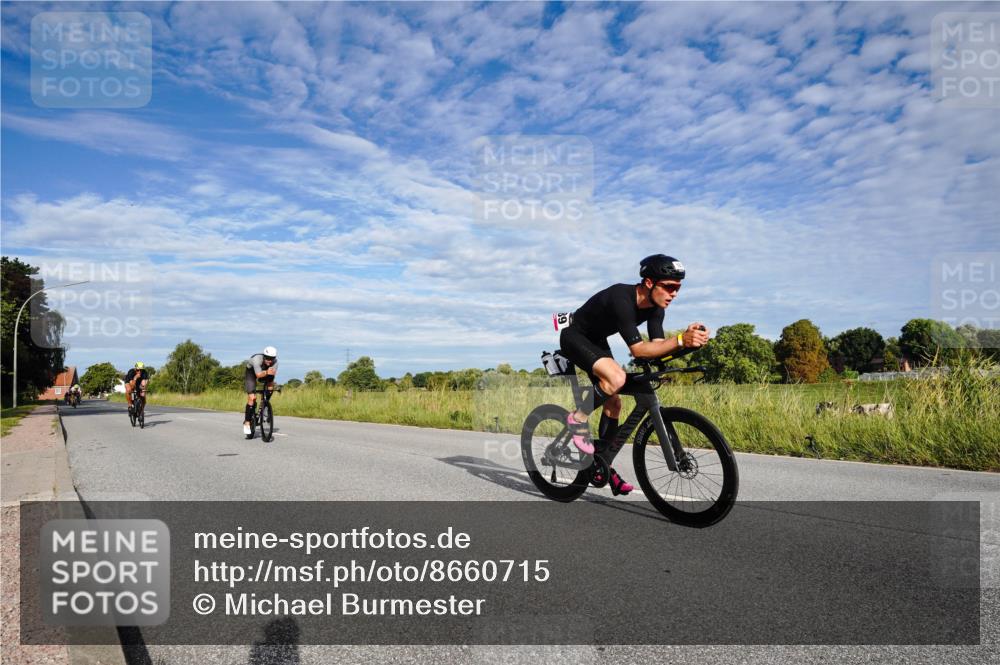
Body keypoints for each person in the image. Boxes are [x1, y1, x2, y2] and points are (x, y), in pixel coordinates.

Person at [558, 254, 710, 495]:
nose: (674, 294)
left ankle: (602, 463)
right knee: (616, 379)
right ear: (649, 283)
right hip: (574, 337)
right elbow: (638, 350)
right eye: (669, 287)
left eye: (678, 288)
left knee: (614, 404)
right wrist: (680, 338)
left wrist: (686, 344)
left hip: (597, 342)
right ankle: (576, 418)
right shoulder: (622, 298)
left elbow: (657, 349)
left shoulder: (656, 309)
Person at [243, 346, 278, 435]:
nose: (269, 361)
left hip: (264, 372)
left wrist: (270, 383)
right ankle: (247, 423)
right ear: (264, 356)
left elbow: (271, 377)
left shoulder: (275, 363)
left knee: (270, 383)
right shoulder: (256, 359)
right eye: (267, 358)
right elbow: (258, 375)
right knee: (252, 398)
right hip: (251, 374)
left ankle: (265, 405)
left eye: (272, 359)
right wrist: (267, 372)